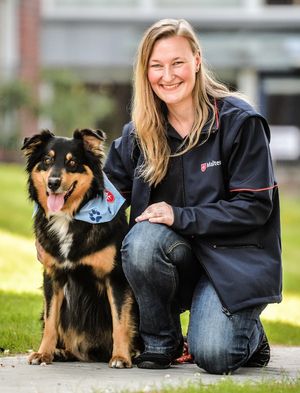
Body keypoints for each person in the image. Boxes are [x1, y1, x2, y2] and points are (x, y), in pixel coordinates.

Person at [103, 18, 282, 374]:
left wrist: (180, 215)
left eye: (177, 63)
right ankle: (161, 343)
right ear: (146, 72)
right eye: (157, 66)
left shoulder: (240, 122)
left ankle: (249, 335)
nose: (167, 75)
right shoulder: (139, 134)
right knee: (141, 241)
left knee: (214, 355)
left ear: (197, 60)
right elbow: (103, 197)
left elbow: (255, 207)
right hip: (174, 261)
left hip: (233, 264)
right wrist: (51, 223)